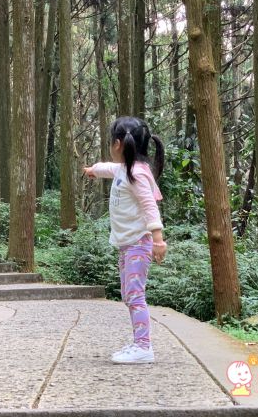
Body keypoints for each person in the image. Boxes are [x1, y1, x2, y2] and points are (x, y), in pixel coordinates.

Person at [82, 116, 166, 364]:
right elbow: (107, 168)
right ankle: (139, 342)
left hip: (139, 242)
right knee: (128, 294)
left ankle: (143, 346)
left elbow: (150, 207)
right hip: (127, 244)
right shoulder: (124, 169)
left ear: (117, 144)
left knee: (135, 294)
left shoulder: (137, 175)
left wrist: (158, 240)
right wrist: (92, 170)